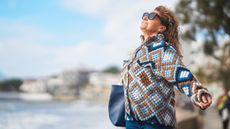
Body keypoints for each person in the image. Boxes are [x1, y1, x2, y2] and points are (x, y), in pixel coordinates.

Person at [121, 5, 212, 129]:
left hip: (154, 123)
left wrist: (198, 92)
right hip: (132, 121)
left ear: (161, 27)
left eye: (152, 16)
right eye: (146, 15)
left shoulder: (162, 49)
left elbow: (179, 72)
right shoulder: (139, 51)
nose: (146, 17)